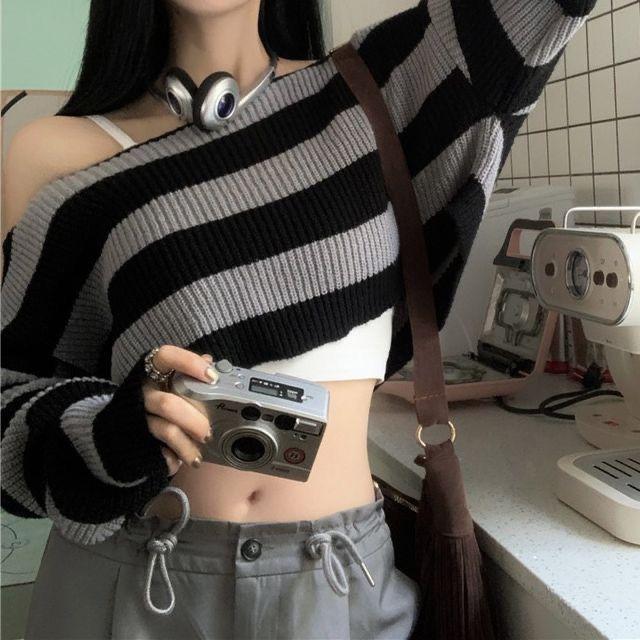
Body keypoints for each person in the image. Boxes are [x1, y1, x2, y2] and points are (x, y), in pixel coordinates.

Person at [1, 0, 594, 638]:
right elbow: (9, 400)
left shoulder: (378, 87)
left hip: (338, 586)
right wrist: (109, 437)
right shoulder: (56, 154)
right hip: (136, 584)